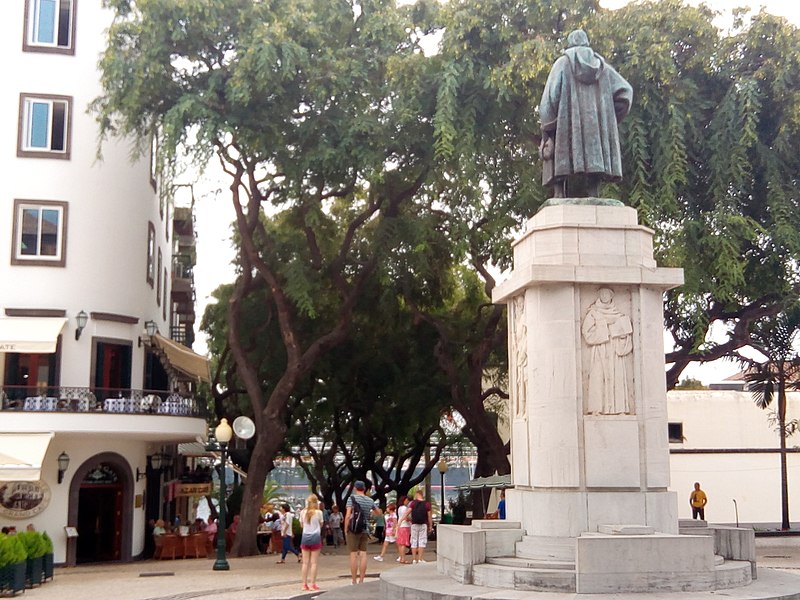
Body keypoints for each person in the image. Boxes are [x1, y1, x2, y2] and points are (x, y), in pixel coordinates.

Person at [539, 29, 633, 199]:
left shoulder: (562, 63)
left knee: (561, 152)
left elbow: (549, 98)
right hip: (595, 127)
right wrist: (610, 116)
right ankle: (594, 192)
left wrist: (547, 127)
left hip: (567, 126)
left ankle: (559, 193)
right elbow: (626, 92)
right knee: (594, 154)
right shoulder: (603, 68)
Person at [581, 287, 634, 414]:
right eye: (602, 293)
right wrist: (605, 331)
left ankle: (620, 409)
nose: (604, 296)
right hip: (600, 348)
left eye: (607, 294)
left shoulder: (618, 314)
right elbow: (586, 332)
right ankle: (596, 409)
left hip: (614, 350)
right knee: (598, 377)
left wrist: (622, 335)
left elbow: (626, 334)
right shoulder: (593, 313)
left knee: (617, 378)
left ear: (611, 296)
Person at [345, 480, 374, 584]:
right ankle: (362, 579)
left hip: (353, 530)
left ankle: (354, 580)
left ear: (355, 488)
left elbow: (348, 515)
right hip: (364, 529)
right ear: (364, 488)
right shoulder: (370, 500)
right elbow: (377, 513)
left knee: (353, 554)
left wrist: (345, 528)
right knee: (363, 554)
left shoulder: (351, 499)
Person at [299, 494, 324, 591]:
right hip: (315, 538)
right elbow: (321, 524)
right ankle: (312, 583)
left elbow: (301, 525)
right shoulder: (319, 513)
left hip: (305, 537)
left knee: (305, 563)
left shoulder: (302, 512)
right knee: (314, 563)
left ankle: (304, 584)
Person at [402, 491, 432, 564]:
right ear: (422, 495)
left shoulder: (413, 503)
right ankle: (420, 559)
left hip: (414, 524)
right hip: (423, 524)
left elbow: (407, 513)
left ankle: (414, 559)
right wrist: (430, 525)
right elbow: (429, 516)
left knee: (414, 541)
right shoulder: (427, 504)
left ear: (417, 495)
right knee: (422, 541)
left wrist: (401, 520)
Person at [395, 495, 411, 563]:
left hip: (400, 525)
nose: (407, 501)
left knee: (400, 543)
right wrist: (410, 520)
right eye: (406, 500)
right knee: (403, 544)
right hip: (405, 526)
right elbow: (406, 518)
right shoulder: (405, 508)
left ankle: (401, 557)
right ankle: (403, 558)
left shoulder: (399, 508)